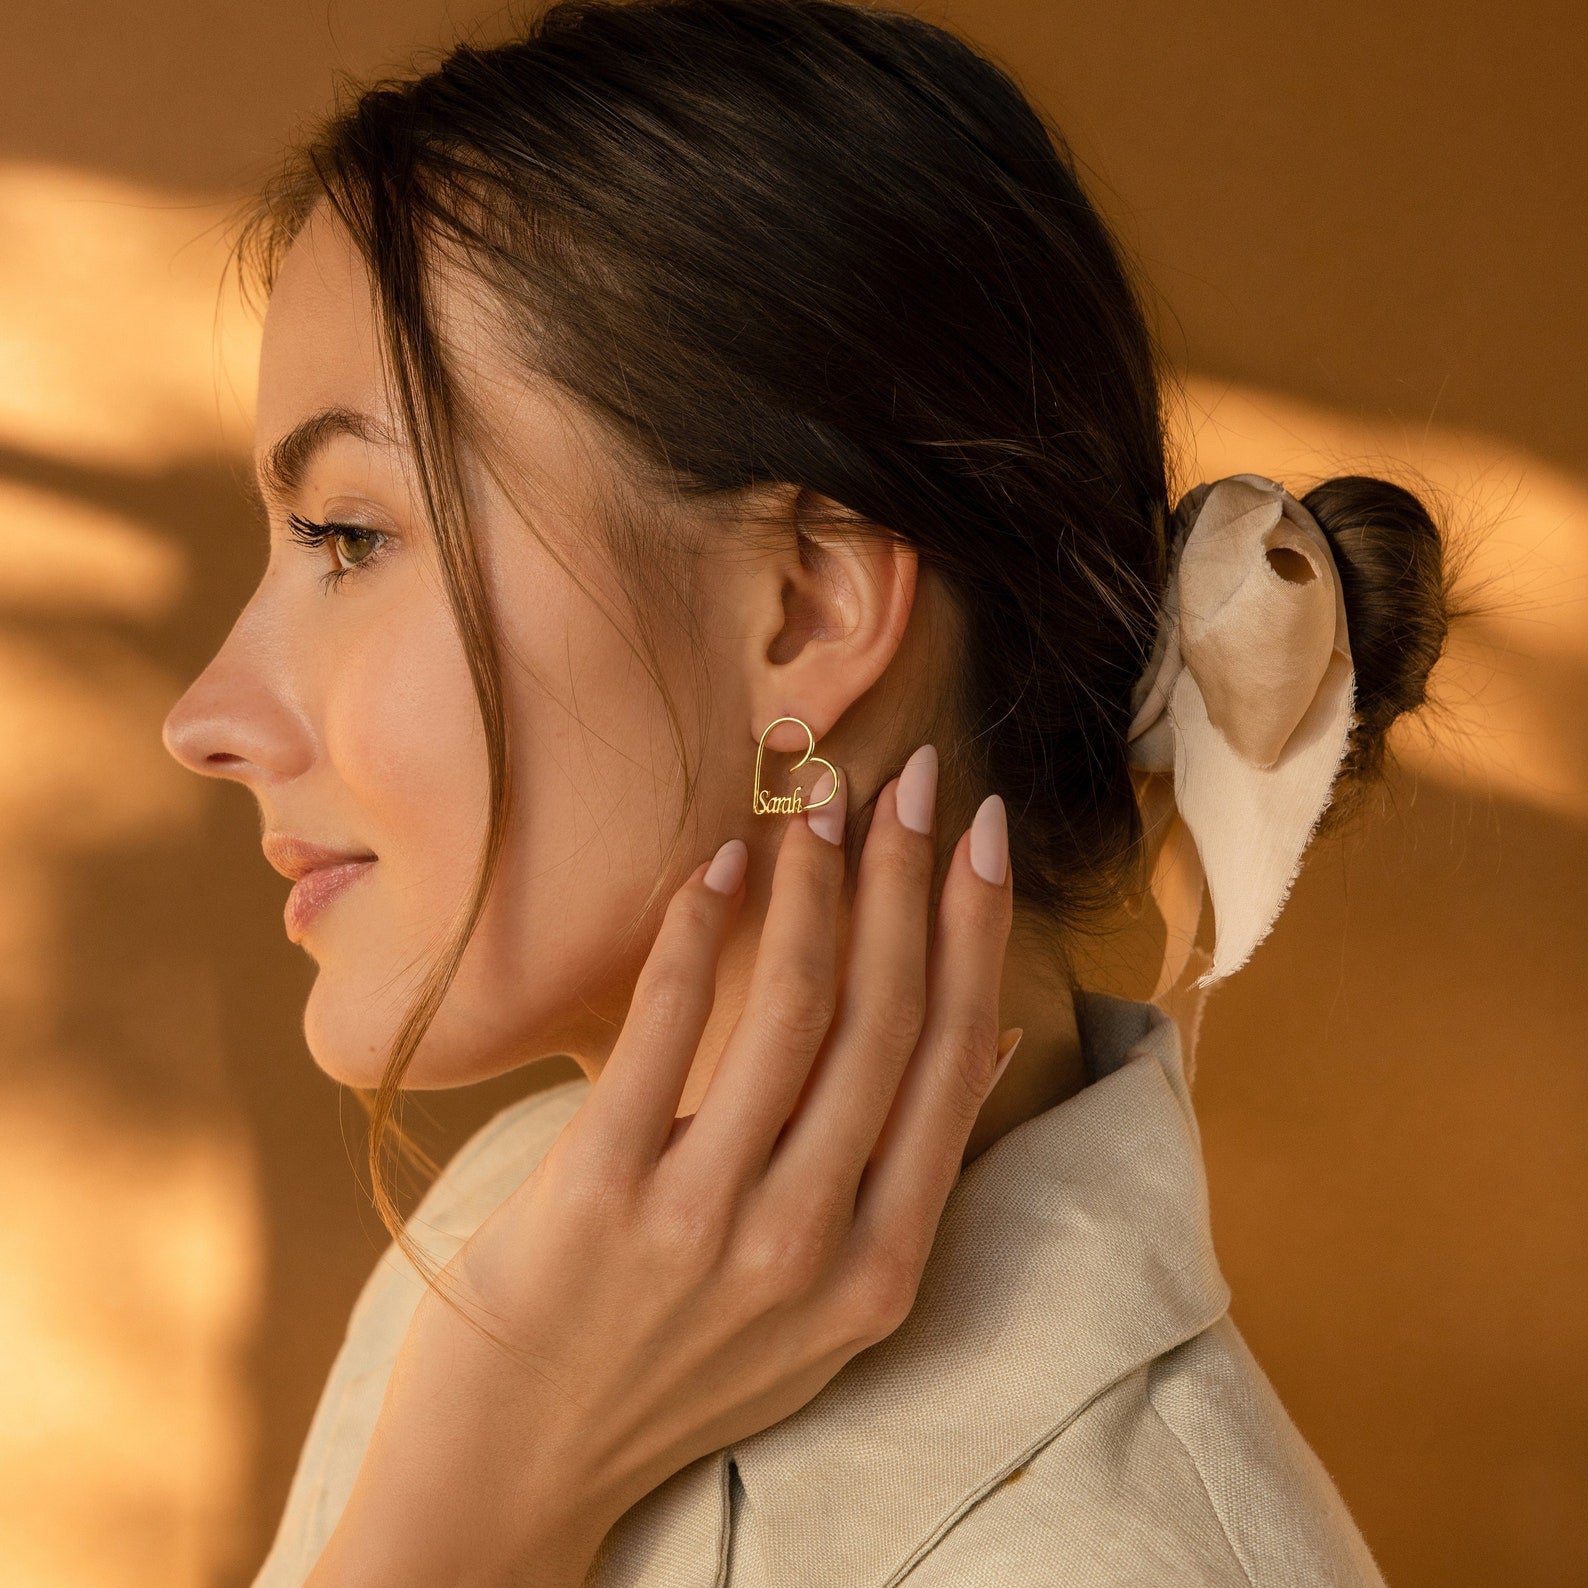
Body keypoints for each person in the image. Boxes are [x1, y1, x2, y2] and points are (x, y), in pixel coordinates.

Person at [160, 2, 1465, 1583]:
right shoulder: (511, 1261)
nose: (206, 718)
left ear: (805, 611)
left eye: (351, 538)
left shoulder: (1113, 1553)